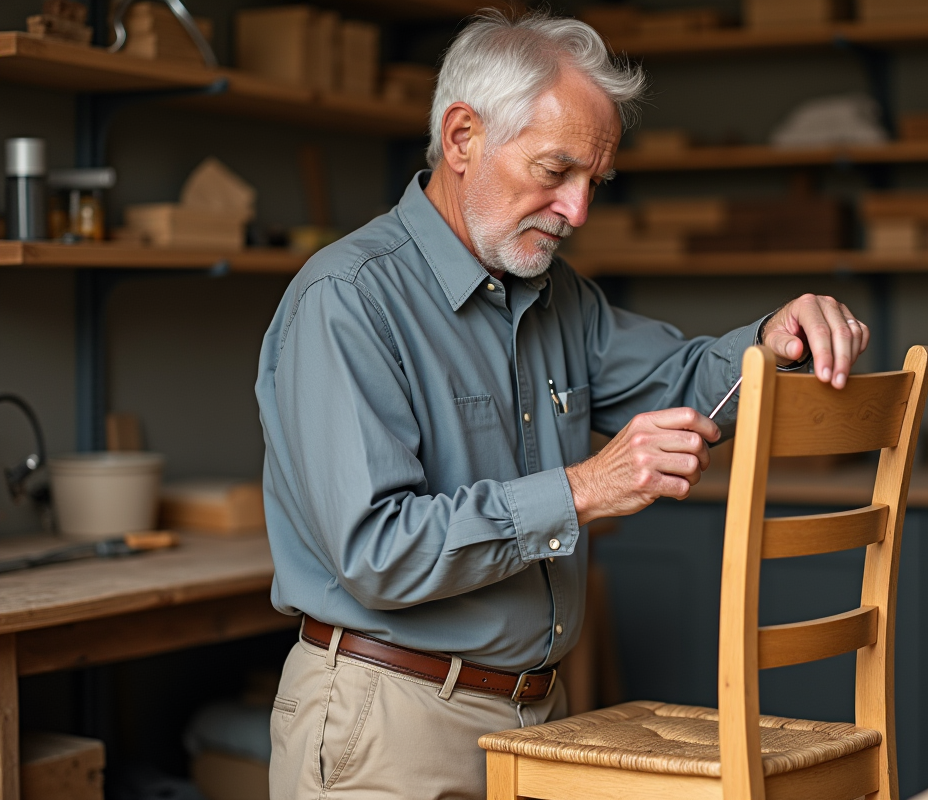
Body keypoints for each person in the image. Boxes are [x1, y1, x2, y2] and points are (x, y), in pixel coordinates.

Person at [255, 10, 869, 800]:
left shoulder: (557, 297)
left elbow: (690, 382)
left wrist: (771, 338)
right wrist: (585, 489)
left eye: (593, 183)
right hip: (390, 722)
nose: (577, 212)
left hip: (538, 720)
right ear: (463, 137)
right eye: (556, 171)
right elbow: (377, 550)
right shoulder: (346, 301)